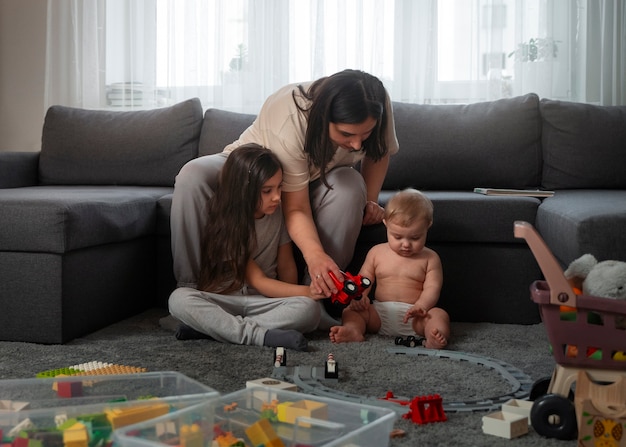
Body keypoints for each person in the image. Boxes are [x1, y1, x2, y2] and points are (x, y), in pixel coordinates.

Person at [170, 70, 399, 323]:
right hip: (259, 166)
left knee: (350, 184)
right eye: (346, 134)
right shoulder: (289, 115)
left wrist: (371, 200)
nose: (357, 145)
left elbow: (379, 151)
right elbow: (296, 208)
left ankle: (318, 294)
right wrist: (315, 256)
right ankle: (191, 292)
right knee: (192, 175)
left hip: (319, 177)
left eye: (364, 135)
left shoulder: (376, 100)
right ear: (323, 118)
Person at [168, 144, 326, 351]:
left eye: (279, 187)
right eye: (267, 191)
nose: (277, 197)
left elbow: (286, 265)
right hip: (225, 300)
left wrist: (298, 297)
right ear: (244, 190)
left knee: (309, 310)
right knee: (178, 299)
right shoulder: (227, 221)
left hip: (263, 303)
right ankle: (257, 335)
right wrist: (308, 291)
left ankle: (214, 330)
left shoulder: (277, 214)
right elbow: (257, 280)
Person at [329, 189, 450, 349]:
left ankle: (433, 337)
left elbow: (432, 288)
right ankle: (353, 330)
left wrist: (421, 306)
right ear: (386, 223)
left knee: (439, 315)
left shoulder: (430, 258)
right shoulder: (376, 252)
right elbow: (364, 279)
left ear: (428, 226)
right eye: (397, 237)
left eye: (415, 238)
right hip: (379, 313)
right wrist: (361, 298)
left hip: (415, 315)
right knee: (350, 311)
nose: (406, 244)